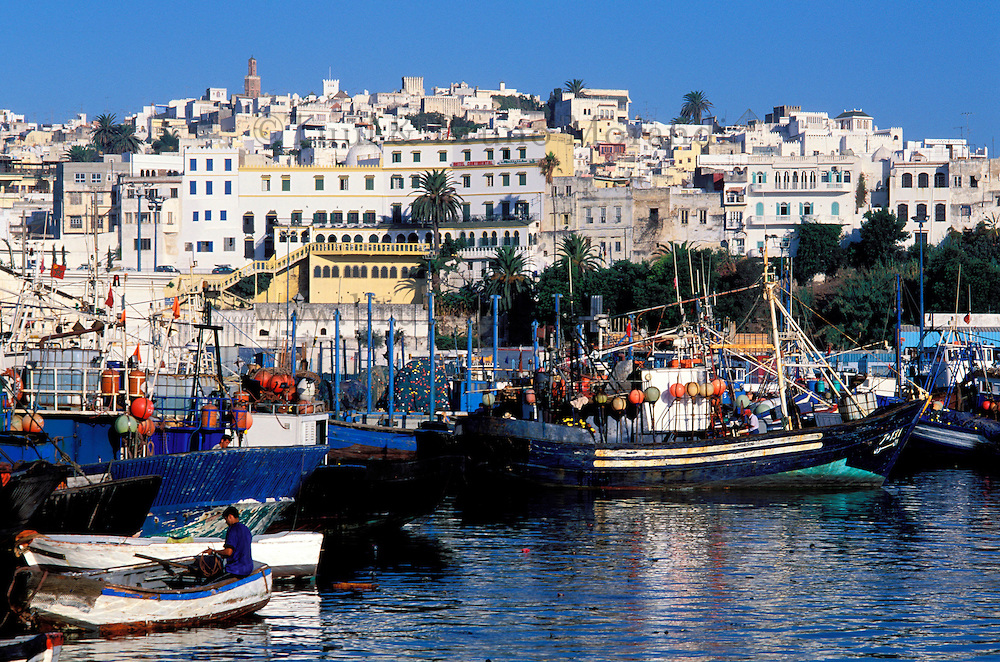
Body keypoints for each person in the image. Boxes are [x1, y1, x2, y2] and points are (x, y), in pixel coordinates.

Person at [213, 506, 253, 577]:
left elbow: (228, 552)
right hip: (248, 568)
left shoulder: (233, 529)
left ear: (230, 516)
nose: (226, 522)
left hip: (236, 569)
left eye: (226, 519)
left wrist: (215, 552)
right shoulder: (246, 529)